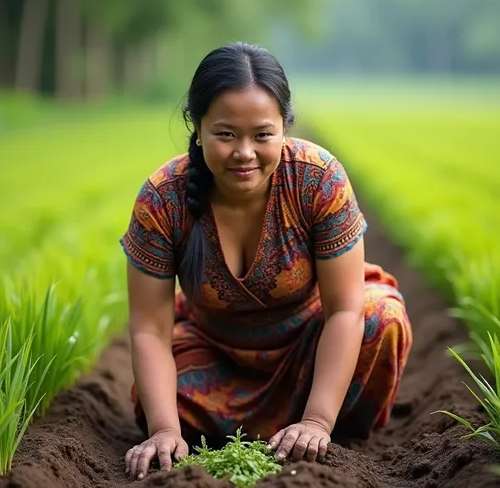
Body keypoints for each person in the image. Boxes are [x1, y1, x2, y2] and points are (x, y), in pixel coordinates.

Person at [120, 41, 412, 481]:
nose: (244, 153)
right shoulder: (164, 198)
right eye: (225, 134)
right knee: (157, 396)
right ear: (197, 129)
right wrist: (164, 430)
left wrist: (317, 421)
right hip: (219, 355)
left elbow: (345, 310)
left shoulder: (317, 180)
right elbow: (149, 329)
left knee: (381, 319)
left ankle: (321, 427)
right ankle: (267, 429)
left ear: (284, 129)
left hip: (315, 348)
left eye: (262, 134)